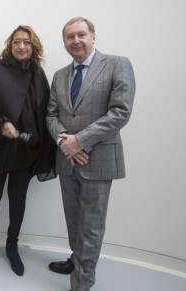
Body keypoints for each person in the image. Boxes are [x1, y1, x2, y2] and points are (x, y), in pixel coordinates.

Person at [46, 17, 136, 291]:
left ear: (93, 36)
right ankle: (77, 260)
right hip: (67, 159)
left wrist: (80, 141)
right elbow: (51, 114)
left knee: (92, 225)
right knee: (74, 220)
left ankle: (82, 283)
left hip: (97, 159)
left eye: (81, 34)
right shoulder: (60, 75)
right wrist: (65, 141)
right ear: (64, 42)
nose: (76, 41)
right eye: (70, 37)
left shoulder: (117, 64)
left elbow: (120, 111)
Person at [0, 25, 55, 275]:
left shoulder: (38, 74)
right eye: (17, 41)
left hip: (26, 149)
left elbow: (45, 112)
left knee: (18, 201)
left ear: (33, 46)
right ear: (10, 44)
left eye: (26, 42)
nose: (21, 46)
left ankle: (12, 245)